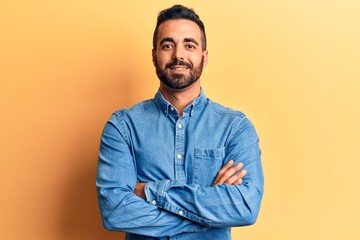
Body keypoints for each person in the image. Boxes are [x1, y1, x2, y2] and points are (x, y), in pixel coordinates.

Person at [96, 4, 264, 240]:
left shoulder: (235, 128)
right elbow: (114, 212)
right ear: (154, 55)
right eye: (167, 45)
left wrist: (151, 191)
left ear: (203, 57)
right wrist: (210, 212)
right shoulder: (123, 126)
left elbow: (245, 207)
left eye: (189, 45)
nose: (178, 55)